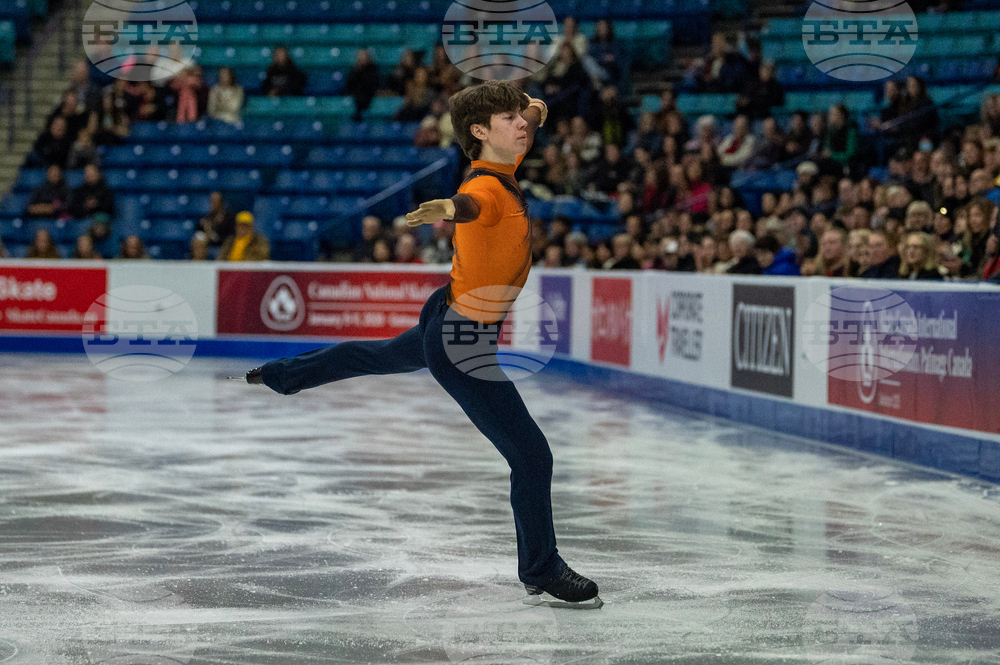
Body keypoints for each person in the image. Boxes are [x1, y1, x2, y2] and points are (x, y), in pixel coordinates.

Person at [243, 81, 601, 610]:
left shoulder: (505, 163)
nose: (521, 124)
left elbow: (533, 112)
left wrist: (534, 109)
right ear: (479, 133)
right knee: (532, 456)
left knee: (380, 355)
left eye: (519, 118)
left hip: (447, 312)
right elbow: (469, 206)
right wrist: (446, 208)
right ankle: (540, 568)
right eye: (509, 119)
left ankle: (284, 374)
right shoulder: (486, 189)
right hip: (461, 341)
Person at [345, 49, 379, 122]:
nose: (362, 58)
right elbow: (349, 85)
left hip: (368, 95)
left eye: (364, 55)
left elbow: (371, 84)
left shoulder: (373, 69)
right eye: (360, 56)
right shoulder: (354, 70)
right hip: (356, 95)